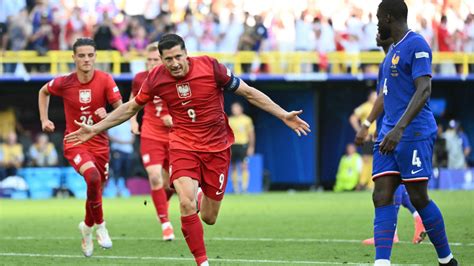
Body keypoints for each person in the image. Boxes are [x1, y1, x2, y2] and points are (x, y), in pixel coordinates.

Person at [65, 33, 310, 266]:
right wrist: (95, 128)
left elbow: (248, 92)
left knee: (209, 218)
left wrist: (282, 115)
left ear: (186, 54)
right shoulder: (155, 78)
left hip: (217, 147)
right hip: (183, 145)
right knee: (185, 202)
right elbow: (130, 109)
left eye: (178, 57)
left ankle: (203, 198)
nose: (174, 63)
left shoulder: (211, 67)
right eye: (168, 59)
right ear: (161, 60)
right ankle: (202, 262)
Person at [363, 1, 457, 265]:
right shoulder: (391, 53)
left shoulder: (417, 45)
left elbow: (424, 89)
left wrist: (399, 128)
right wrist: (376, 126)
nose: (377, 23)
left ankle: (446, 259)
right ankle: (382, 262)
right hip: (388, 133)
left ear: (389, 17)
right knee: (381, 194)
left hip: (412, 133)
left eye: (379, 18)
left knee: (417, 196)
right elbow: (385, 96)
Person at [38, 38, 123, 257]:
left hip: (100, 144)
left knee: (95, 189)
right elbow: (43, 91)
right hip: (75, 142)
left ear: (95, 56)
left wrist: (109, 115)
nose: (86, 59)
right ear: (73, 57)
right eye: (82, 55)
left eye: (90, 55)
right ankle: (101, 226)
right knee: (93, 178)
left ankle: (86, 228)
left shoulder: (105, 80)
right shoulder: (65, 82)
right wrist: (44, 119)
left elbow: (122, 110)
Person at [356, 33, 426, 246]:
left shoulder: (393, 61)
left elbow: (385, 98)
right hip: (392, 129)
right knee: (393, 185)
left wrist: (368, 125)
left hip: (395, 132)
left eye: (380, 27)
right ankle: (413, 222)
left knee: (389, 185)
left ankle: (395, 232)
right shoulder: (388, 62)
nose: (376, 32)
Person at [129, 42, 175, 241]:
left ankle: (161, 206)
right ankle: (165, 223)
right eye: (148, 60)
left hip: (174, 135)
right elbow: (133, 99)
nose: (151, 63)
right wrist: (132, 121)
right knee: (155, 177)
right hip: (150, 133)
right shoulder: (140, 78)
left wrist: (172, 118)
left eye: (155, 60)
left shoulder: (174, 77)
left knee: (172, 182)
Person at [349, 90, 377, 190]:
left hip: (378, 136)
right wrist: (360, 131)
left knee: (376, 160)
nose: (375, 97)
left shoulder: (380, 106)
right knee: (366, 159)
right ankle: (362, 183)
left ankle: (371, 184)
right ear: (369, 97)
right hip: (368, 136)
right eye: (373, 96)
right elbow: (353, 118)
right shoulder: (365, 106)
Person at [228, 102, 255, 194]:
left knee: (244, 166)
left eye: (236, 108)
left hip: (243, 145)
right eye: (233, 108)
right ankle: (236, 189)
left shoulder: (247, 120)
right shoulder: (229, 120)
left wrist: (251, 147)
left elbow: (251, 134)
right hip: (232, 145)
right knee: (234, 167)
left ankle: (244, 188)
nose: (234, 110)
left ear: (240, 109)